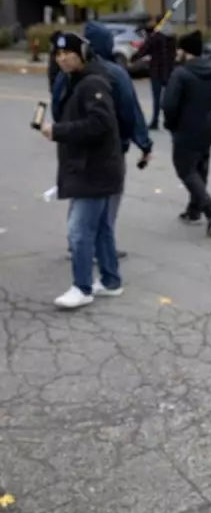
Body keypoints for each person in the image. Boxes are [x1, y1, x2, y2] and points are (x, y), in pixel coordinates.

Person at [52, 21, 154, 261]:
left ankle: (75, 242)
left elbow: (57, 108)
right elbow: (130, 111)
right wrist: (143, 143)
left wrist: (66, 131)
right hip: (109, 147)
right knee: (107, 196)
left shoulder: (66, 74)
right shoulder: (114, 73)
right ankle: (99, 249)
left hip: (74, 145)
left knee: (81, 194)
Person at [41, 32, 125, 309]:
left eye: (69, 53)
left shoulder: (92, 83)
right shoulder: (76, 81)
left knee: (79, 231)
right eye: (59, 54)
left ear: (83, 54)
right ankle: (111, 281)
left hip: (94, 170)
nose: (63, 58)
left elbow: (99, 124)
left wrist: (58, 131)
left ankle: (82, 287)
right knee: (101, 229)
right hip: (93, 167)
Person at [162, 30, 211, 237]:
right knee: (200, 169)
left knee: (186, 170)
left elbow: (169, 105)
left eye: (179, 49)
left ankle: (210, 208)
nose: (177, 53)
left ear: (186, 51)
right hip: (207, 128)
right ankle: (194, 211)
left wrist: (170, 124)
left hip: (185, 129)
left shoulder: (180, 74)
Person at [130, 14, 177, 130]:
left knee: (156, 97)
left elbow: (145, 49)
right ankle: (169, 120)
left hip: (156, 70)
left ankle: (155, 121)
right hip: (169, 70)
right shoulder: (172, 37)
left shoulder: (155, 37)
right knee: (169, 96)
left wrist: (133, 58)